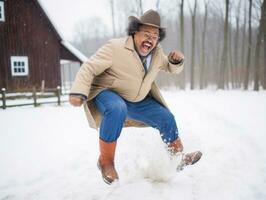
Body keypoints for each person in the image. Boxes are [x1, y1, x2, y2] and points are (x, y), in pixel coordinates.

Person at [69, 9, 202, 185]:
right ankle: (106, 162)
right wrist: (79, 91)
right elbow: (89, 67)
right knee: (117, 108)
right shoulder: (115, 47)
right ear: (134, 32)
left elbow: (171, 68)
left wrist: (176, 61)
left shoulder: (156, 54)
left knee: (166, 118)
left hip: (136, 100)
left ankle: (178, 158)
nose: (150, 39)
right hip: (108, 93)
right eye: (146, 34)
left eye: (155, 36)